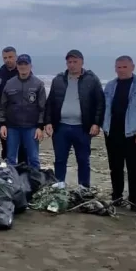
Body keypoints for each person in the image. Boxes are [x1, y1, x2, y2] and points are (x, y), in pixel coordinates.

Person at [103, 56, 136, 208]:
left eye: (124, 67)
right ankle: (117, 197)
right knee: (115, 167)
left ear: (132, 67)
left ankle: (135, 200)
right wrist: (103, 126)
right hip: (112, 133)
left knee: (133, 168)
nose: (121, 70)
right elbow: (105, 107)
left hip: (133, 134)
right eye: (118, 67)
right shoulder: (110, 86)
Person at [46, 50, 104, 189]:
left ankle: (83, 187)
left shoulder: (92, 79)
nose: (72, 65)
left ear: (82, 62)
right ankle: (60, 185)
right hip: (61, 127)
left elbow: (100, 103)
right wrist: (48, 122)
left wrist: (96, 123)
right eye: (69, 62)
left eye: (75, 62)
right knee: (60, 159)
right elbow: (50, 103)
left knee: (83, 159)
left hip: (82, 127)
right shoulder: (58, 79)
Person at [0, 54, 46, 167]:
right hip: (12, 127)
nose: (23, 66)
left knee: (33, 158)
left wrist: (40, 127)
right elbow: (3, 106)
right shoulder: (9, 83)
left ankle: (35, 182)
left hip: (31, 128)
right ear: (17, 66)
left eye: (26, 64)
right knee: (10, 158)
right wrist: (3, 124)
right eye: (20, 64)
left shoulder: (38, 84)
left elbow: (42, 107)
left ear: (31, 66)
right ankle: (12, 181)